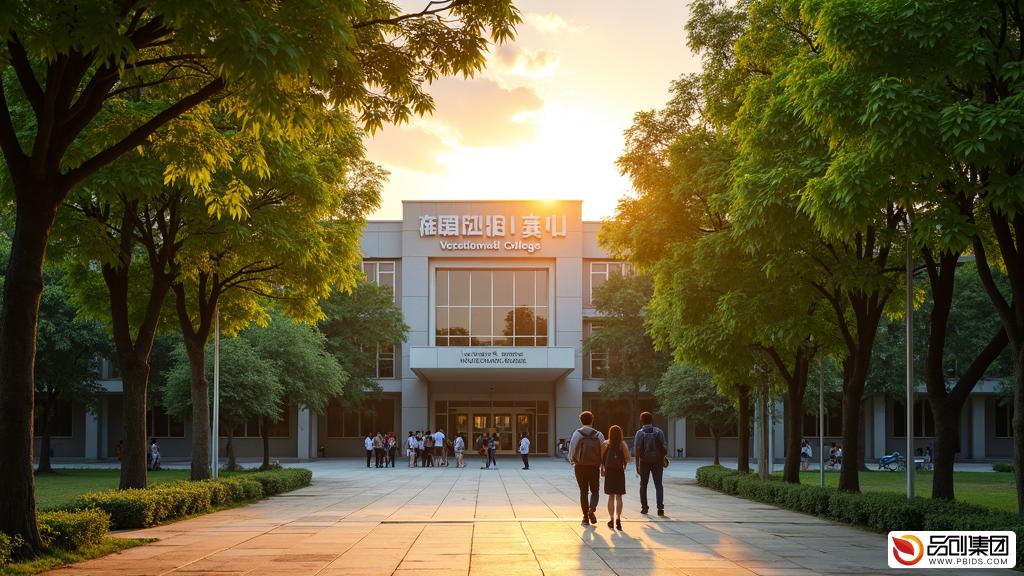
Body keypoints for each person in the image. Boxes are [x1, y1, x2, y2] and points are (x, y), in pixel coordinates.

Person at [569, 411, 605, 527]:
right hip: (594, 466)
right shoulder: (599, 435)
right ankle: (592, 509)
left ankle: (585, 517)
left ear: (581, 421)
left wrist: (572, 460)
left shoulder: (577, 434)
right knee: (595, 491)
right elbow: (603, 450)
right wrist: (602, 465)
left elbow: (572, 449)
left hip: (580, 466)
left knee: (583, 491)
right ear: (592, 420)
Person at [634, 411, 667, 516]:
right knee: (658, 485)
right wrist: (662, 460)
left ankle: (644, 508)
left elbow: (637, 450)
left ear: (641, 420)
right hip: (657, 461)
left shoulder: (640, 433)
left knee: (643, 485)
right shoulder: (659, 432)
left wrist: (637, 465)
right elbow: (664, 448)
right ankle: (660, 509)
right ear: (651, 420)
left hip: (644, 462)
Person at [602, 425, 630, 530]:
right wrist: (624, 465)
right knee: (619, 497)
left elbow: (602, 459)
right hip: (619, 472)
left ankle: (611, 519)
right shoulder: (622, 444)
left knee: (611, 496)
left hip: (609, 472)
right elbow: (627, 458)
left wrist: (603, 468)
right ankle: (618, 518)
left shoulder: (605, 443)